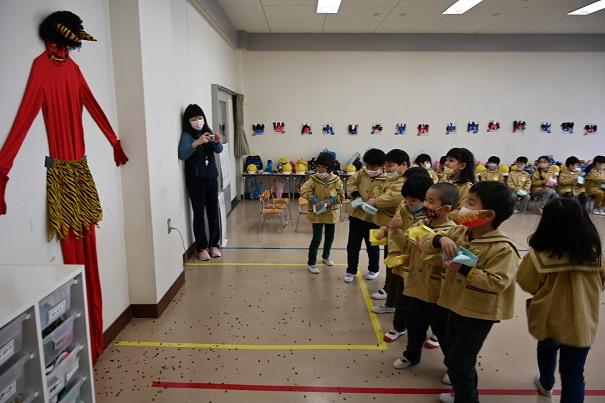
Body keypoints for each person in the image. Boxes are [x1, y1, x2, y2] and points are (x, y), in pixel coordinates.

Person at [421, 181, 520, 403]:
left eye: (471, 204)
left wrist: (464, 269)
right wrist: (439, 238)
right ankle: (463, 394)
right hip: (454, 304)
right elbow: (425, 242)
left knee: (459, 362)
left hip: (478, 313)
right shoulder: (460, 232)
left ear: (489, 215)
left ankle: (466, 398)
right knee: (458, 358)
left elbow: (497, 282)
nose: (464, 208)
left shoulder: (502, 248)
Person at [517, 198, 604, 403]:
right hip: (582, 322)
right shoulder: (596, 255)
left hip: (550, 316)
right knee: (574, 373)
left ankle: (546, 383)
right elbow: (602, 281)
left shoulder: (538, 256)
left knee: (546, 348)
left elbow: (527, 283)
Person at [392, 183, 458, 385]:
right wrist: (395, 231)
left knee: (443, 332)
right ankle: (411, 355)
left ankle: (453, 367)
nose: (426, 205)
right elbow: (406, 244)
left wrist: (423, 250)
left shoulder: (454, 233)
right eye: (426, 199)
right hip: (415, 287)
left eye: (431, 201)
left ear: (446, 208)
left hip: (437, 293)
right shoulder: (420, 223)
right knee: (414, 326)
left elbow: (449, 262)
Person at [178, 104, 223, 261]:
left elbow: (219, 150)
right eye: (193, 119)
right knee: (199, 214)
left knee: (213, 213)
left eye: (200, 118)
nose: (198, 121)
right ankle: (202, 248)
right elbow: (182, 154)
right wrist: (196, 143)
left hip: (211, 178)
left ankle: (214, 245)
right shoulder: (186, 136)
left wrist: (216, 142)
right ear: (188, 121)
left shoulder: (208, 132)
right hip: (195, 181)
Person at [367, 149, 409, 307]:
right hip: (386, 225)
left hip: (396, 228)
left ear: (403, 165)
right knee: (388, 257)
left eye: (391, 166)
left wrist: (376, 201)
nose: (387, 169)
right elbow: (379, 192)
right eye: (386, 166)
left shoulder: (404, 181)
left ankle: (390, 291)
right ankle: (389, 289)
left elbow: (393, 197)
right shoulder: (390, 179)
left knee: (394, 259)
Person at [344, 149, 386, 283]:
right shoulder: (361, 173)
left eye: (373, 167)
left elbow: (387, 197)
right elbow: (351, 183)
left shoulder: (386, 179)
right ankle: (351, 270)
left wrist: (376, 202)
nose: (369, 169)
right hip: (356, 216)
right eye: (367, 166)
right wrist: (356, 195)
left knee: (372, 246)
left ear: (381, 166)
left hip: (374, 219)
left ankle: (374, 269)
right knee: (353, 245)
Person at [300, 152, 344, 274]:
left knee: (330, 237)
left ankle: (326, 256)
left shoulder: (336, 180)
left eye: (323, 168)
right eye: (318, 167)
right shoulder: (313, 179)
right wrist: (312, 198)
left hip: (330, 213)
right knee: (317, 238)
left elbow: (340, 195)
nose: (319, 170)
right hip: (317, 213)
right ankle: (311, 263)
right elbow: (304, 190)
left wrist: (331, 201)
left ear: (329, 168)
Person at [439, 148, 476, 223]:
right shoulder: (444, 179)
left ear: (462, 166)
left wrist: (441, 215)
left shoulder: (467, 187)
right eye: (446, 160)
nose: (446, 163)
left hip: (450, 224)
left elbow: (462, 211)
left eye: (451, 161)